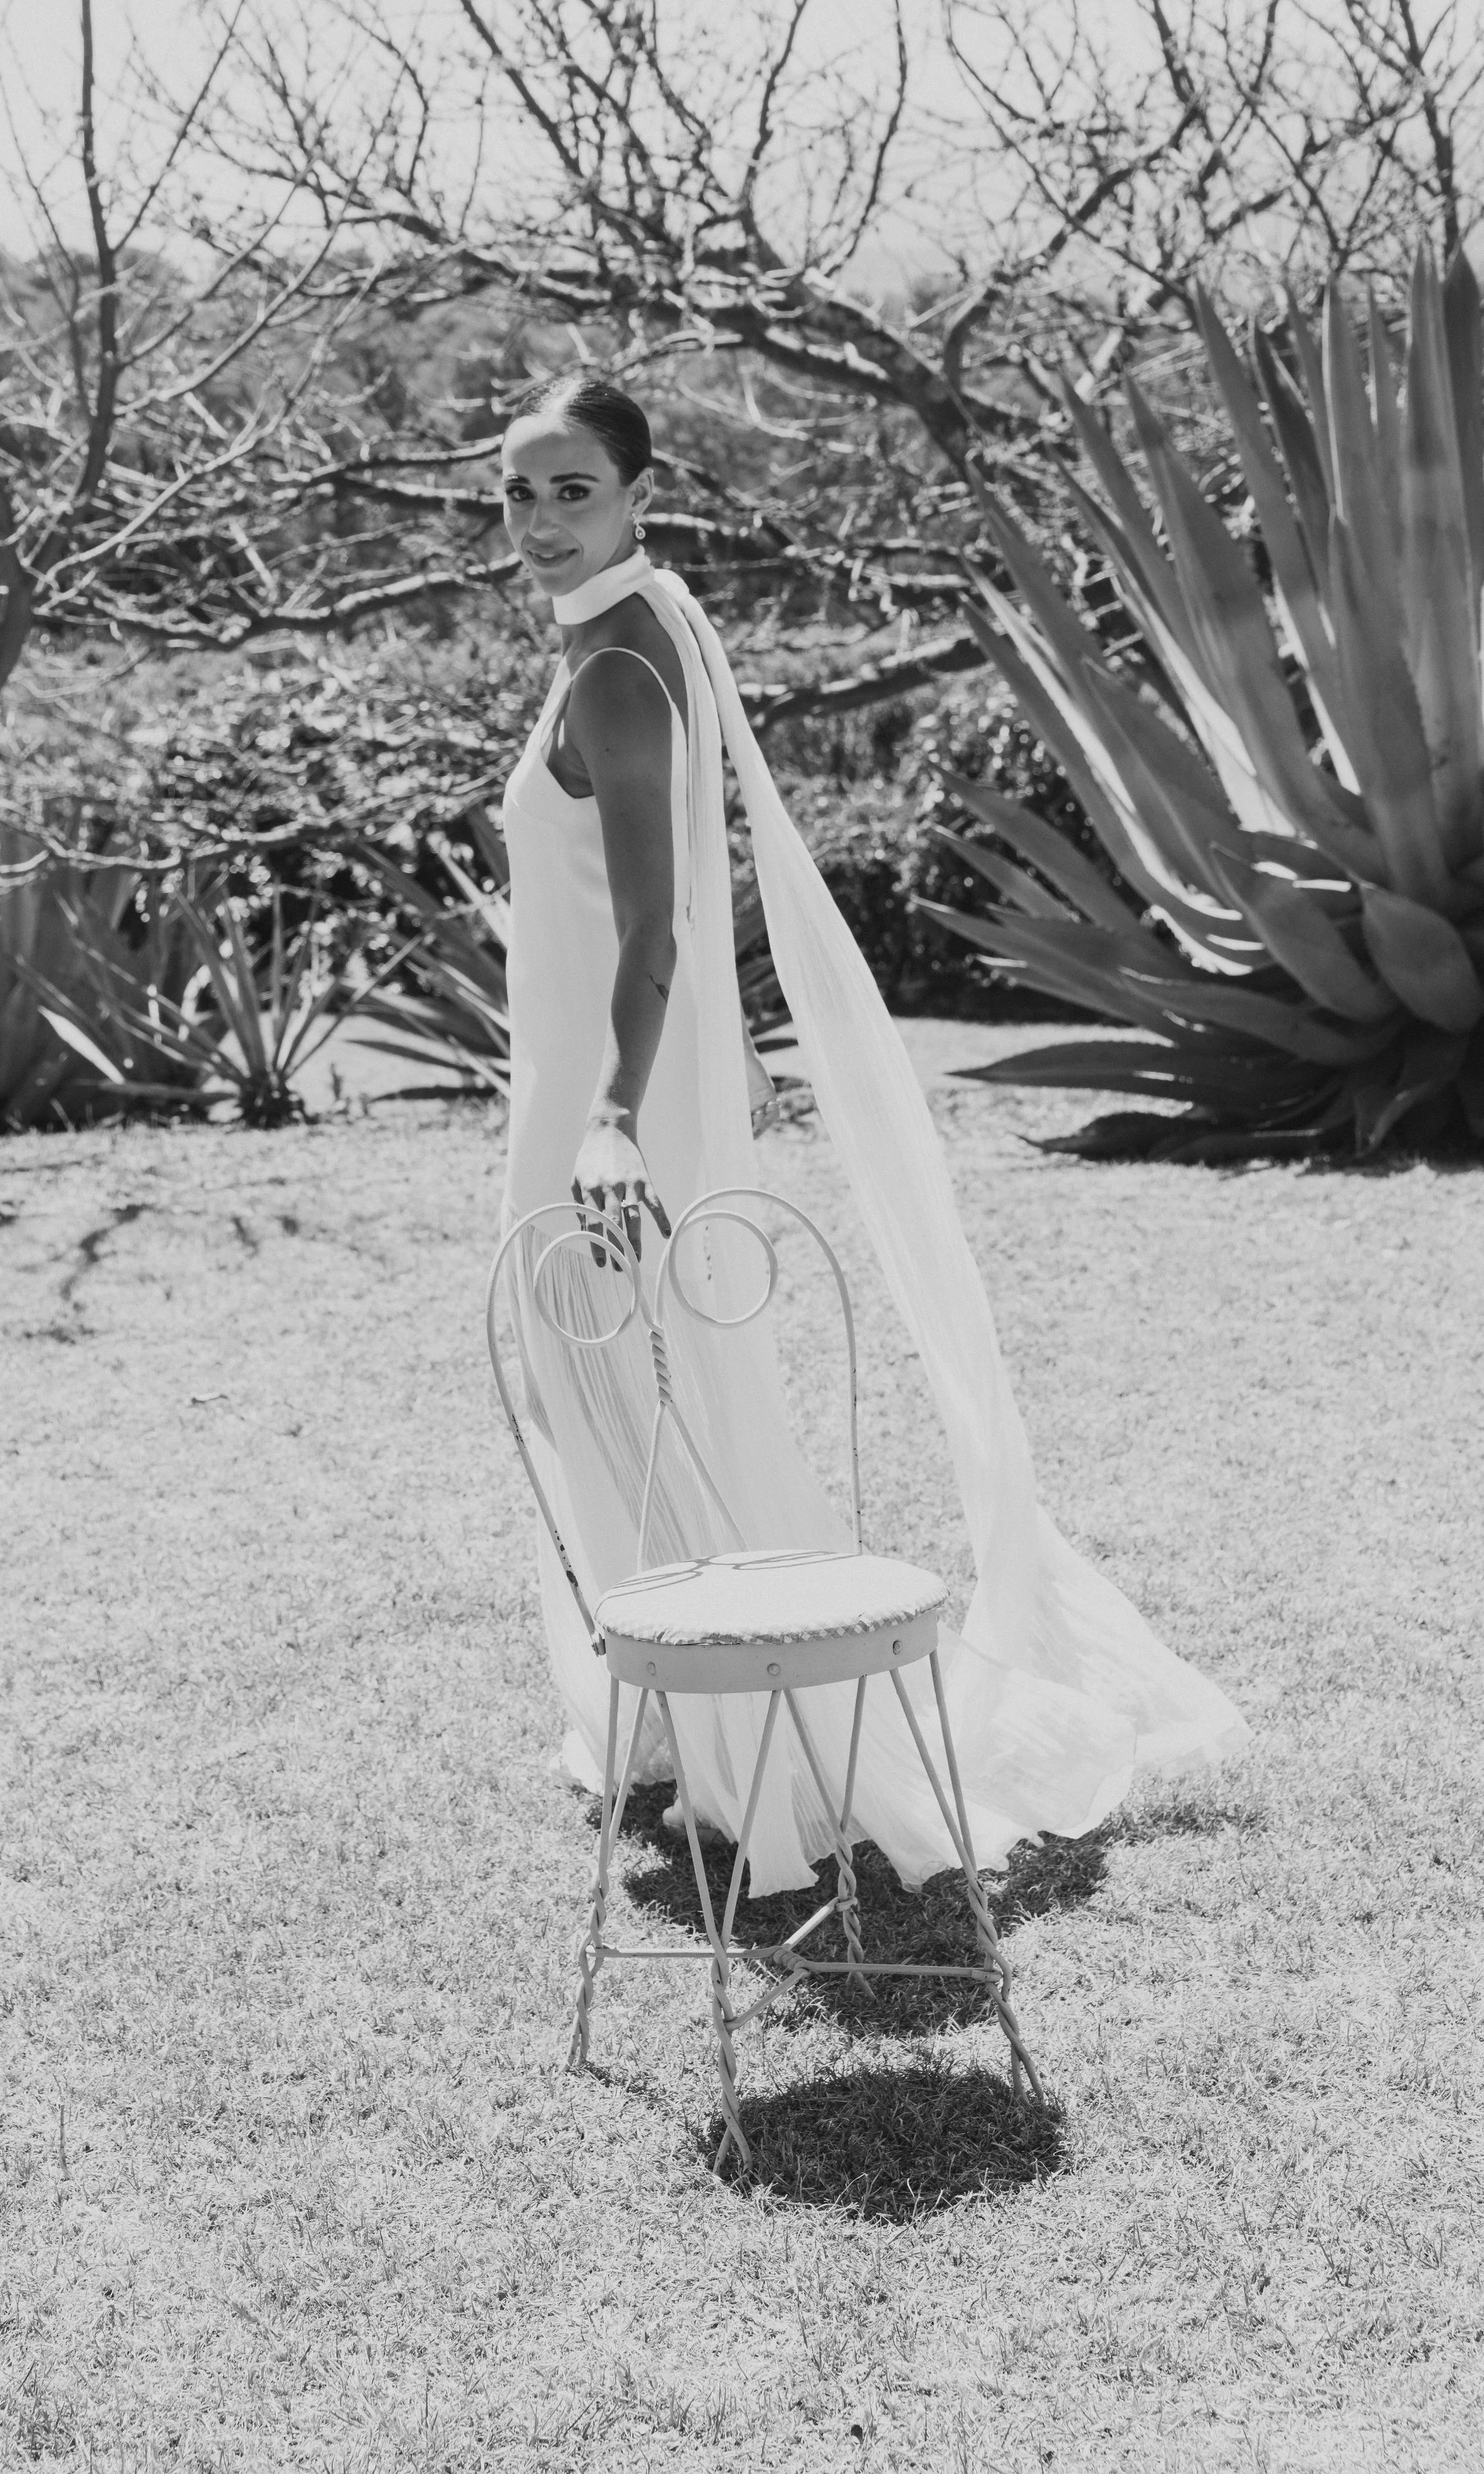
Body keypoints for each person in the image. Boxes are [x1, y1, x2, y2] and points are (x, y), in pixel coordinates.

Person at [497, 370, 1247, 1899]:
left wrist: (615, 1127)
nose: (536, 522)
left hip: (602, 1110)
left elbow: (651, 935)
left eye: (569, 490)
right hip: (606, 1088)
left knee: (640, 1399)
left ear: (639, 494)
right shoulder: (641, 630)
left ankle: (771, 1749)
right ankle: (681, 1725)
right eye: (513, 493)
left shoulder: (620, 671)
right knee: (630, 1402)